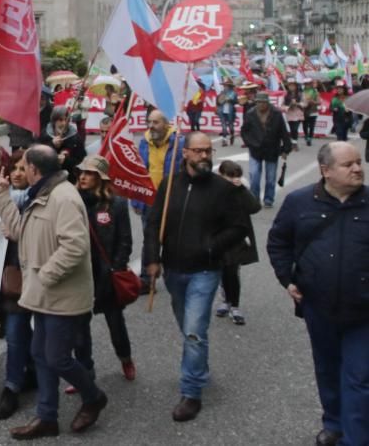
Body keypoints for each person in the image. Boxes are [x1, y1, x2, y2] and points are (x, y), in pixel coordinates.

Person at [0, 145, 108, 439]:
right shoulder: (41, 193)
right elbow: (19, 231)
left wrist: (45, 276)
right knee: (40, 354)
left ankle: (93, 397)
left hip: (61, 297)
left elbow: (75, 246)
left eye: (24, 166)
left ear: (34, 169)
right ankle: (47, 417)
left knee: (56, 357)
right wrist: (3, 196)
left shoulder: (63, 197)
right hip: (43, 295)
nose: (21, 171)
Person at [143, 132, 248, 422]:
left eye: (208, 151)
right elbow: (153, 224)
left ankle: (191, 392)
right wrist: (152, 259)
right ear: (185, 153)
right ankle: (199, 366)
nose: (204, 156)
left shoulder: (221, 189)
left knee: (193, 330)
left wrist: (211, 246)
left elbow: (238, 227)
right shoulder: (170, 184)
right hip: (174, 270)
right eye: (198, 151)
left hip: (205, 270)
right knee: (188, 328)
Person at [268, 142, 368, 446]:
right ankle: (334, 423)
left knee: (360, 378)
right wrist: (287, 279)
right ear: (325, 171)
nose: (357, 168)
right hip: (318, 307)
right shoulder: (299, 202)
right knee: (327, 369)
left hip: (363, 310)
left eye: (359, 162)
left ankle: (356, 438)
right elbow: (278, 242)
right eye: (348, 164)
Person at [73, 155, 136, 385]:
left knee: (115, 323)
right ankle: (83, 373)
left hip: (106, 276)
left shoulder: (116, 204)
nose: (83, 176)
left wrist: (116, 267)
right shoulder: (73, 201)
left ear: (100, 178)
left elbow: (125, 240)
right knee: (79, 331)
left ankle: (125, 358)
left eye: (89, 173)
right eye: (81, 172)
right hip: (79, 275)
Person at [0, 150, 36, 421]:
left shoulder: (38, 202)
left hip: (24, 280)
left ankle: (11, 388)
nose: (18, 173)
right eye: (15, 168)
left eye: (24, 168)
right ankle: (29, 372)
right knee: (16, 332)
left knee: (16, 332)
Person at [133, 109, 184, 291]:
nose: (151, 126)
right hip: (149, 199)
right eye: (149, 122)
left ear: (166, 124)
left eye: (156, 122)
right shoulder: (144, 143)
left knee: (174, 239)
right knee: (149, 239)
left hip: (171, 199)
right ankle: (147, 279)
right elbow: (138, 172)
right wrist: (137, 200)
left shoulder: (179, 142)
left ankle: (175, 275)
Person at [213, 160, 261, 326]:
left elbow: (255, 207)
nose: (232, 180)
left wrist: (241, 188)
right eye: (229, 177)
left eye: (236, 177)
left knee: (233, 271)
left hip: (237, 237)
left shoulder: (240, 191)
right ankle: (225, 300)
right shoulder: (213, 190)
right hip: (218, 237)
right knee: (222, 271)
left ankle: (235, 305)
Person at [241, 91, 291, 208]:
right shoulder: (250, 113)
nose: (261, 104)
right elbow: (244, 131)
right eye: (259, 102)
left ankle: (268, 199)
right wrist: (249, 143)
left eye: (263, 102)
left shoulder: (276, 114)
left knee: (271, 177)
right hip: (255, 149)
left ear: (267, 102)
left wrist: (285, 149)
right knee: (254, 175)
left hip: (272, 148)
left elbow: (283, 131)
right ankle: (254, 198)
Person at [37, 106, 86, 183]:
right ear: (54, 121)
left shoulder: (75, 138)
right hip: (47, 178)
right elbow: (37, 156)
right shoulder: (45, 135)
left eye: (66, 120)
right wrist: (52, 145)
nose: (64, 123)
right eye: (60, 120)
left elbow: (81, 160)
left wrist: (66, 160)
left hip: (69, 180)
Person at [216, 80, 238, 147]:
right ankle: (224, 140)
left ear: (229, 86)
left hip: (230, 111)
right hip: (222, 111)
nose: (224, 86)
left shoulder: (233, 93)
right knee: (223, 126)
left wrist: (230, 100)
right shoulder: (221, 93)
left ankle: (232, 135)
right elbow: (218, 102)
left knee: (231, 126)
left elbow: (236, 102)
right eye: (224, 85)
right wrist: (220, 100)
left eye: (226, 85)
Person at [283, 80, 304, 149]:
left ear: (296, 86)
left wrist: (297, 103)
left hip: (298, 112)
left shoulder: (300, 94)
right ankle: (293, 141)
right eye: (290, 85)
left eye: (293, 85)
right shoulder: (286, 95)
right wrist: (289, 105)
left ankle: (294, 142)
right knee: (292, 129)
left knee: (295, 128)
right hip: (290, 113)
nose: (291, 87)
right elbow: (282, 105)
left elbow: (304, 103)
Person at [303, 80, 322, 147]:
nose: (307, 85)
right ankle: (306, 135)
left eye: (308, 84)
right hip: (304, 111)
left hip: (313, 110)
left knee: (311, 126)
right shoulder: (302, 92)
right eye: (306, 84)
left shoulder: (315, 92)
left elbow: (319, 102)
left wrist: (313, 102)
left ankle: (310, 138)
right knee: (304, 125)